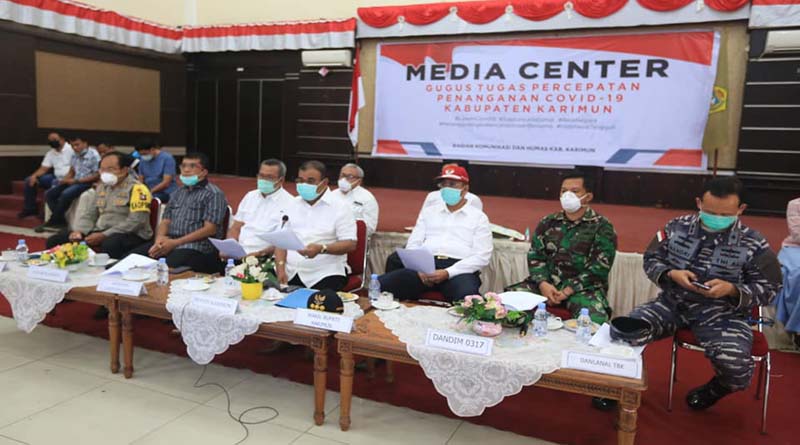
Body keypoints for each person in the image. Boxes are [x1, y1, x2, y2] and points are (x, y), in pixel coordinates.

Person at [610, 177, 782, 410]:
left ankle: (714, 390)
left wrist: (732, 289)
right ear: (699, 202)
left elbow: (771, 288)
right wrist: (671, 273)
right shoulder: (675, 227)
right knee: (623, 332)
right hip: (672, 304)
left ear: (741, 209)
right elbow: (652, 259)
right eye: (711, 211)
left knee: (736, 368)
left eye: (725, 214)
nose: (717, 218)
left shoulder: (754, 243)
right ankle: (616, 386)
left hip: (722, 314)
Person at [512, 170, 617, 324]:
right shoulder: (548, 222)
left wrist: (568, 290)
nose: (568, 195)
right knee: (504, 304)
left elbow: (598, 268)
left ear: (588, 197)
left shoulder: (602, 226)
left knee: (594, 321)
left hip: (582, 290)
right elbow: (536, 256)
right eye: (563, 191)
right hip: (546, 285)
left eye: (574, 191)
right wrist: (543, 283)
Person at [379, 164, 493, 302]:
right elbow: (413, 244)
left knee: (467, 298)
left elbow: (482, 255)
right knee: (382, 285)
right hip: (425, 267)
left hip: (458, 269)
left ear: (465, 189)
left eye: (452, 184)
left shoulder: (478, 217)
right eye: (443, 184)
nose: (447, 189)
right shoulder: (429, 212)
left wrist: (447, 273)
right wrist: (420, 269)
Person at [126, 152, 228, 274]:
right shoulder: (177, 192)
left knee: (161, 270)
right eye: (183, 166)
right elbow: (165, 220)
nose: (186, 170)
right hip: (170, 241)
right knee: (130, 260)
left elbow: (210, 229)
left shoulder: (213, 194)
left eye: (192, 166)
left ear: (204, 172)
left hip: (197, 246)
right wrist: (159, 239)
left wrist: (175, 243)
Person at [45, 152, 153, 258]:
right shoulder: (101, 187)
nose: (105, 173)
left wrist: (105, 235)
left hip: (132, 233)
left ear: (124, 170)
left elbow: (136, 221)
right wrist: (80, 231)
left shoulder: (138, 189)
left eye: (110, 169)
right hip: (102, 230)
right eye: (102, 169)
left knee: (110, 244)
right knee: (55, 240)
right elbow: (90, 212)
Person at [274, 160, 357, 291]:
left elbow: (350, 244)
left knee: (318, 303)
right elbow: (280, 241)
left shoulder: (341, 207)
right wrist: (280, 267)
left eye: (310, 181)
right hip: (290, 271)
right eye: (300, 180)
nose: (303, 185)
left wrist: (322, 248)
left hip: (325, 273)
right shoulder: (291, 204)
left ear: (324, 183)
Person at [227, 159, 294, 257]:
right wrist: (229, 247)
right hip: (239, 253)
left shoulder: (290, 203)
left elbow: (284, 241)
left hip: (265, 257)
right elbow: (236, 227)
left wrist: (260, 254)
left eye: (269, 177)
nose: (264, 180)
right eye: (261, 176)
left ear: (281, 180)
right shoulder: (250, 196)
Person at [36, 137, 100, 232]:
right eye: (72, 145)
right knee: (50, 194)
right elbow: (72, 170)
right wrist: (65, 179)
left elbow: (97, 174)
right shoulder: (74, 154)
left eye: (77, 144)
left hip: (86, 182)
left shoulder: (94, 155)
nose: (74, 147)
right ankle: (60, 221)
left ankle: (53, 221)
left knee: (66, 194)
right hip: (74, 181)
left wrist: (77, 181)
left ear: (85, 144)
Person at [18, 132, 74, 218]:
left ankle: (48, 214)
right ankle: (30, 209)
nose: (52, 142)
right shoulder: (51, 153)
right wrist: (34, 176)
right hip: (56, 177)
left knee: (54, 184)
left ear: (62, 140)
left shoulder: (72, 149)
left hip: (69, 178)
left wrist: (67, 178)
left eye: (55, 140)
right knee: (29, 180)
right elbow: (43, 168)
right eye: (50, 141)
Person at [776, 197, 800, 347]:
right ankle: (797, 328)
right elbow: (798, 234)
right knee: (797, 274)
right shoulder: (795, 204)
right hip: (795, 248)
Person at [331, 163, 380, 236]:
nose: (344, 179)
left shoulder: (367, 198)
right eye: (342, 175)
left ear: (359, 181)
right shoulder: (332, 195)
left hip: (354, 238)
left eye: (349, 176)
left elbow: (370, 228)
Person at [134, 138, 176, 203]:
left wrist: (150, 191)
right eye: (141, 154)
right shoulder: (143, 160)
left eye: (145, 154)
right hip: (148, 191)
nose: (143, 156)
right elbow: (141, 179)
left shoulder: (167, 158)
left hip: (165, 192)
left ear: (152, 149)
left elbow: (166, 182)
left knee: (147, 200)